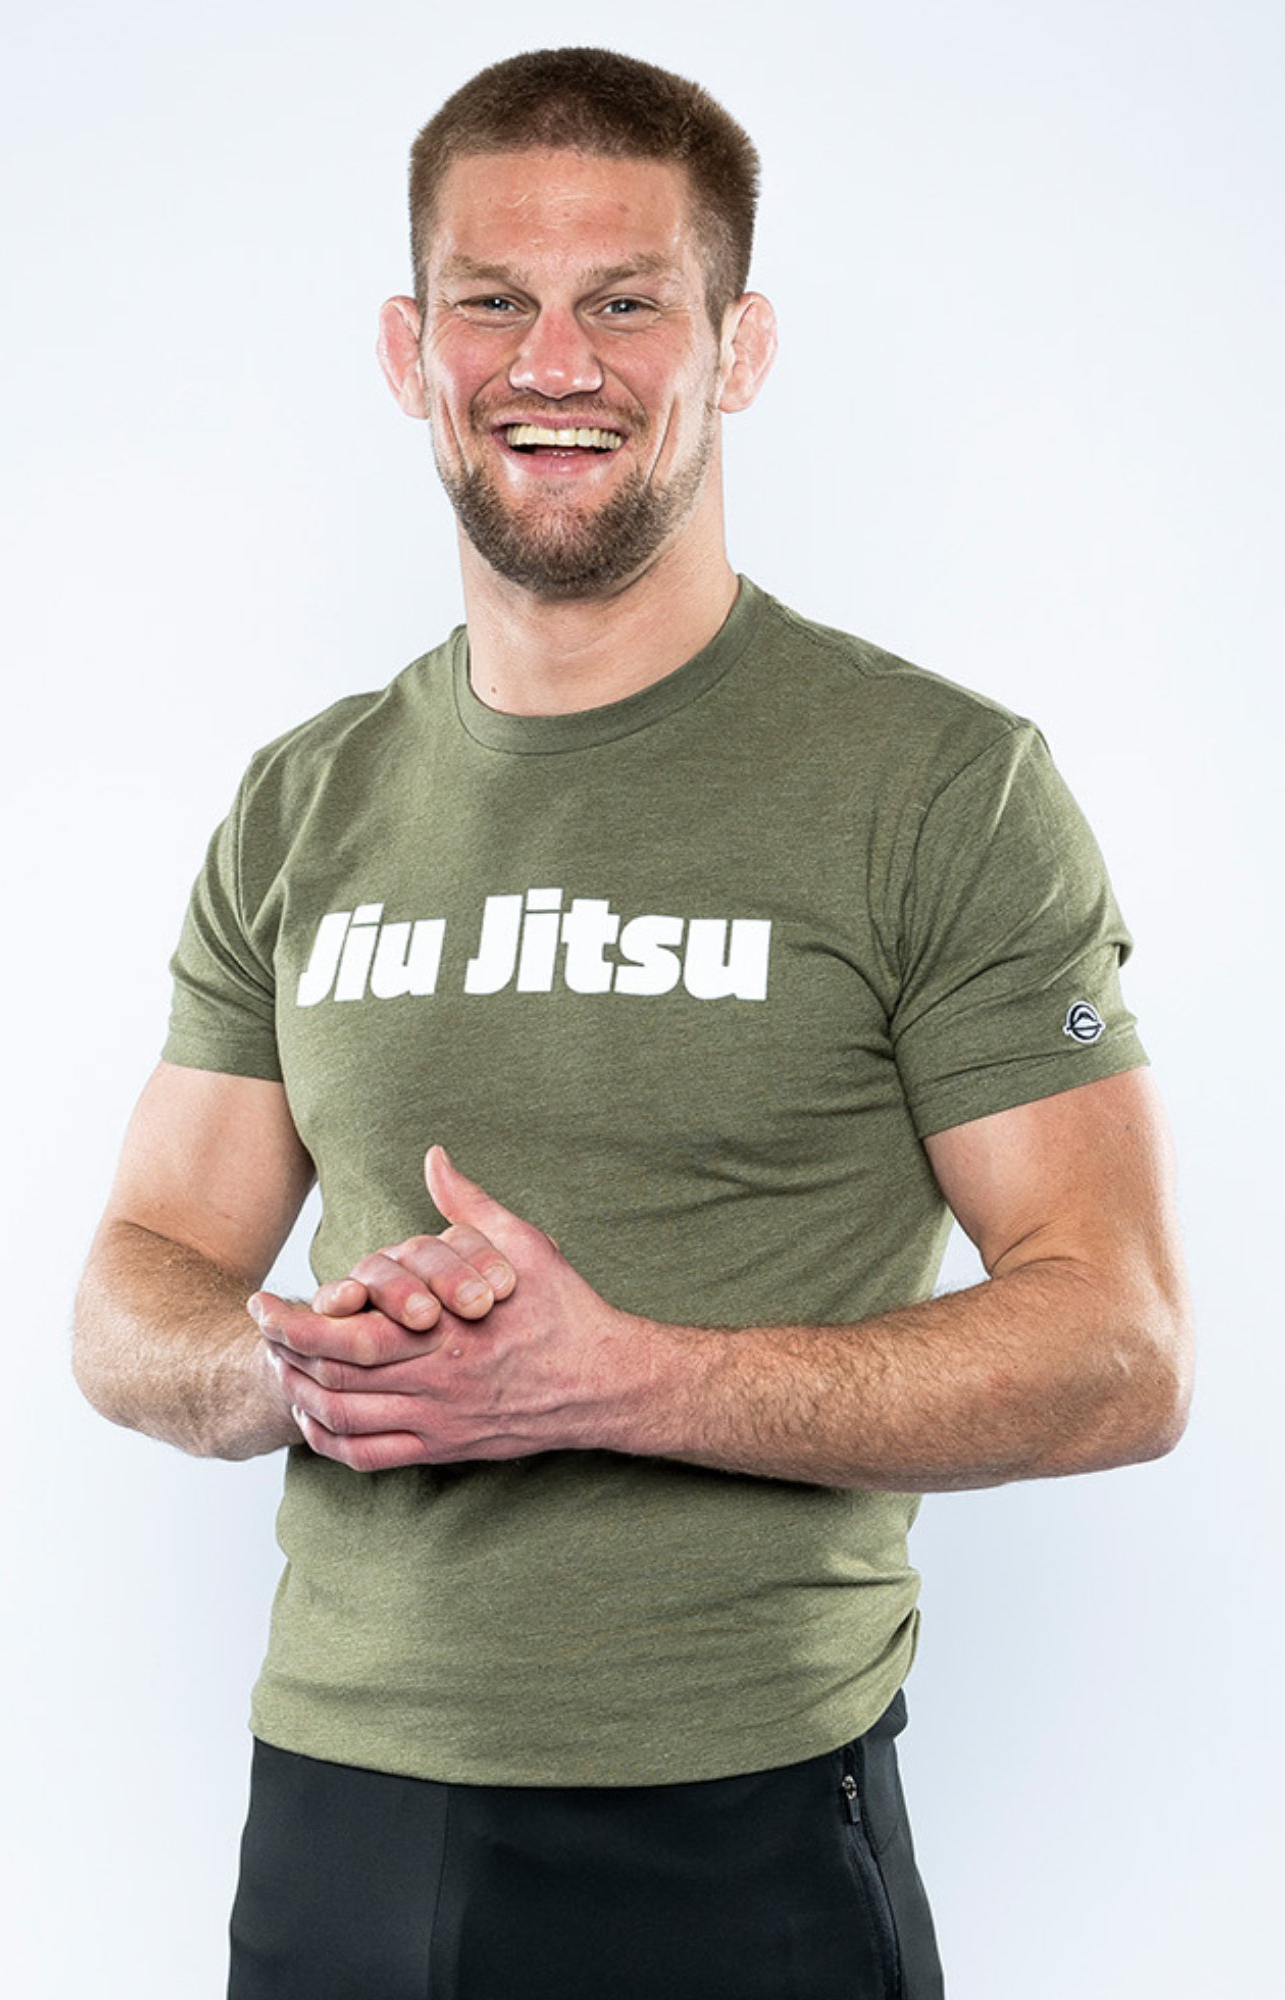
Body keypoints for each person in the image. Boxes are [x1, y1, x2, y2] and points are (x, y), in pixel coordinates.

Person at [73, 46, 1193, 2000]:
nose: (553, 361)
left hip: (740, 1827)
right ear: (409, 348)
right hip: (335, 1819)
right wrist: (299, 1375)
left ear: (737, 344)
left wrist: (616, 1383)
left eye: (625, 300)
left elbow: (1122, 1341)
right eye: (494, 298)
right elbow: (135, 1278)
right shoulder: (303, 800)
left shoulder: (938, 786)